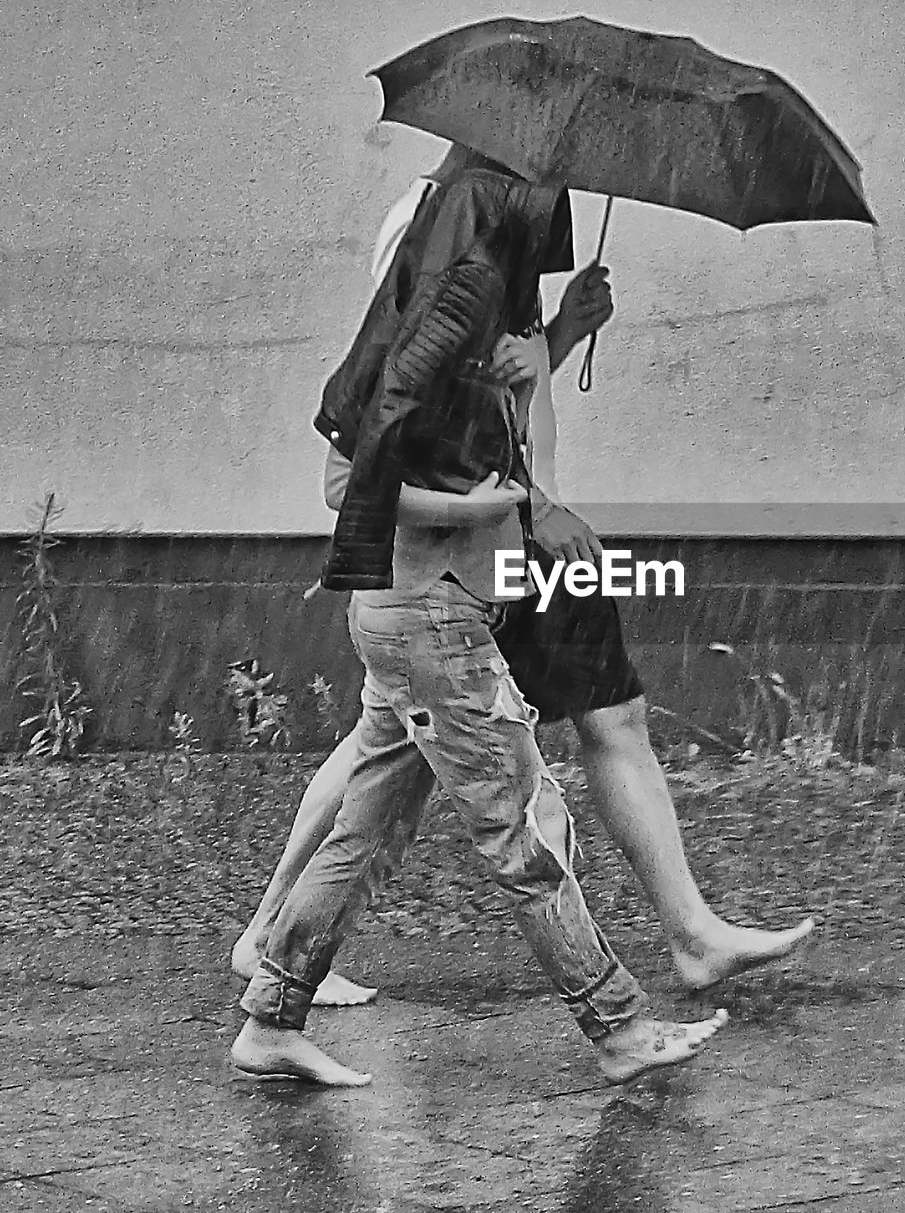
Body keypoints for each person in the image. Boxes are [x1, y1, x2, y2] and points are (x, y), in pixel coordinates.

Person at [231, 147, 814, 1007]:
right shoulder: (441, 252)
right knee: (393, 753)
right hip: (488, 547)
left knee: (607, 711)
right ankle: (276, 945)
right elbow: (403, 439)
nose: (556, 214)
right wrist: (532, 505)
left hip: (518, 535)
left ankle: (690, 931)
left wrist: (565, 332)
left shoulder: (501, 254)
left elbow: (505, 399)